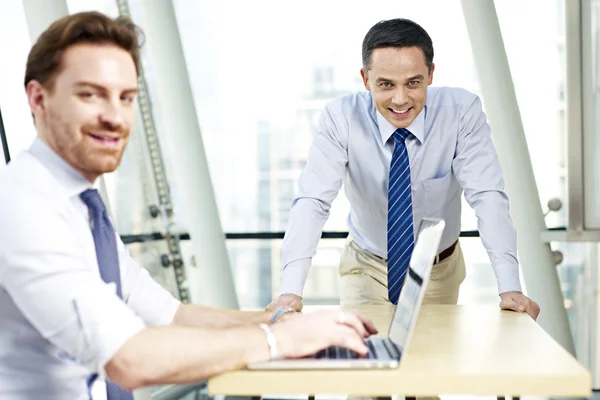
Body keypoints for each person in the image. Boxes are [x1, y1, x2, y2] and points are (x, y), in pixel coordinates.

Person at [0, 11, 377, 399]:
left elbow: (172, 315)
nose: (114, 116)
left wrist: (276, 320)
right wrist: (278, 339)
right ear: (38, 98)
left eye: (126, 97)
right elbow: (128, 359)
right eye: (90, 94)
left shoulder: (83, 206)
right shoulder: (24, 205)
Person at [267, 18, 540, 321]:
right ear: (365, 79)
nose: (400, 100)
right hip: (367, 266)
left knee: (434, 360)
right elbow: (313, 201)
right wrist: (291, 290)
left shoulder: (461, 112)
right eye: (386, 84)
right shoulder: (341, 118)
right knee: (369, 356)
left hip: (439, 269)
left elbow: (487, 195)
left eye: (413, 82)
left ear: (430, 74)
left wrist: (510, 287)